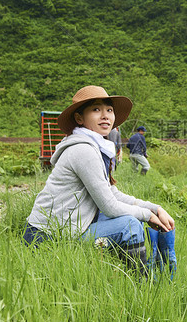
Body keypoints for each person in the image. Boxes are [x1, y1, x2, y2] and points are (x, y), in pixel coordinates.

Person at [24, 85, 175, 277]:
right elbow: (109, 206)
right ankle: (143, 285)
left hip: (68, 224)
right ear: (80, 118)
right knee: (130, 225)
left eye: (109, 110)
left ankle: (120, 274)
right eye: (96, 109)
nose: (105, 115)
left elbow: (111, 193)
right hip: (47, 237)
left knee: (129, 219)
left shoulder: (95, 146)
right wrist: (147, 215)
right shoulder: (84, 150)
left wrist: (155, 208)